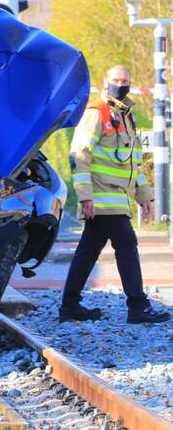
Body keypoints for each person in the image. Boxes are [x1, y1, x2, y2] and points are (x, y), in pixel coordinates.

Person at [61, 65, 170, 324]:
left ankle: (70, 306)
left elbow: (133, 165)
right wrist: (85, 196)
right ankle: (138, 306)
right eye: (116, 79)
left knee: (88, 251)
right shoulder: (97, 112)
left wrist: (145, 197)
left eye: (125, 79)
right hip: (101, 196)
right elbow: (80, 154)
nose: (121, 84)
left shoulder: (125, 116)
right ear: (105, 81)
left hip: (115, 198)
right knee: (127, 245)